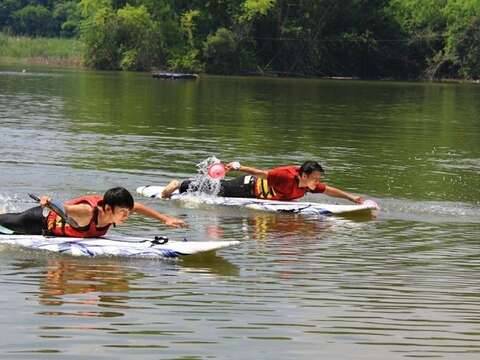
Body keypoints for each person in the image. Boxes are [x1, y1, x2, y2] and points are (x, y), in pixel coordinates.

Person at [0, 187, 185, 236]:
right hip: (36, 222)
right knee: (6, 221)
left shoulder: (119, 208)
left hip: (51, 228)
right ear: (106, 208)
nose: (127, 216)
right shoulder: (86, 212)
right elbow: (63, 207)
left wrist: (165, 219)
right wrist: (47, 201)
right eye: (123, 213)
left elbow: (137, 207)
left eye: (127, 212)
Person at [162, 160, 364, 204]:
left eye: (318, 179)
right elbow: (262, 173)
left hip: (256, 195)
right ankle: (180, 184)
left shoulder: (309, 185)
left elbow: (329, 190)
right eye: (315, 178)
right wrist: (239, 167)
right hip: (247, 187)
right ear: (303, 176)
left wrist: (351, 197)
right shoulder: (285, 176)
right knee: (217, 190)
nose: (317, 183)